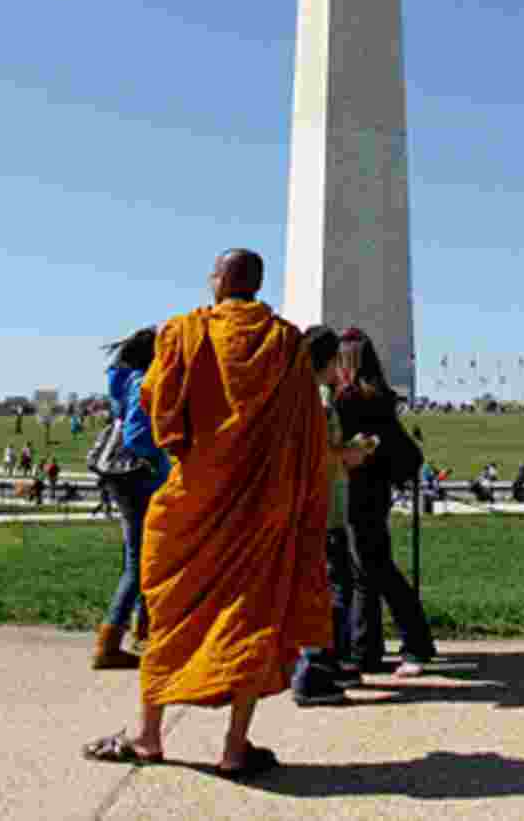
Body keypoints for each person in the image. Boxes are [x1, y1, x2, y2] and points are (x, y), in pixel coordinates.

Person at [83, 249, 331, 779]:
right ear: (258, 284)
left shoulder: (182, 333)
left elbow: (158, 410)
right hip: (260, 508)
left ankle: (150, 736)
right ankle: (234, 749)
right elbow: (307, 428)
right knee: (250, 619)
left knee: (169, 609)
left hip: (193, 500)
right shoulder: (286, 344)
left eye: (214, 273)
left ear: (221, 281)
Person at [336, 328, 436, 679]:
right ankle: (366, 649)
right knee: (367, 573)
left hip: (356, 490)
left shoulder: (349, 399)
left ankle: (417, 643)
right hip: (376, 491)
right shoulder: (379, 396)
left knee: (377, 571)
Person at [291, 325, 372, 707]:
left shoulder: (300, 396)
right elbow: (319, 455)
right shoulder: (317, 403)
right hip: (324, 508)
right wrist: (351, 453)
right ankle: (314, 671)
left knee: (329, 586)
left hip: (315, 506)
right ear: (330, 360)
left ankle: (327, 662)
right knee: (331, 591)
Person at [90, 327, 171, 671]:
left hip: (117, 470)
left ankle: (142, 630)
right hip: (135, 472)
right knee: (140, 563)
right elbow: (138, 435)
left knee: (137, 555)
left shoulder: (123, 379)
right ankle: (109, 644)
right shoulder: (142, 381)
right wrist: (159, 458)